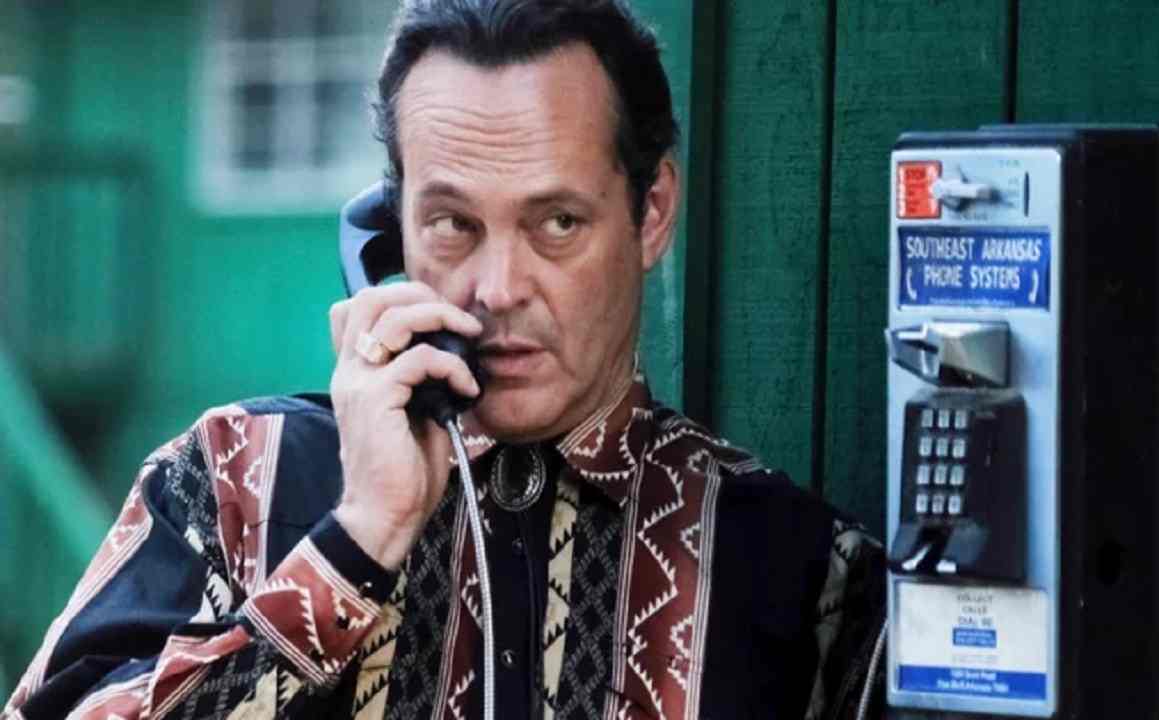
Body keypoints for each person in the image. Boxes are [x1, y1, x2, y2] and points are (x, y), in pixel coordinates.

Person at [3, 1, 885, 718]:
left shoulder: (802, 570)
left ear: (650, 213)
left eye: (558, 223)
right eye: (454, 224)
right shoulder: (234, 479)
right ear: (390, 232)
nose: (497, 289)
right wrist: (355, 543)